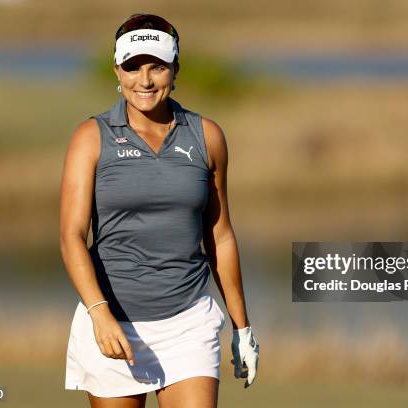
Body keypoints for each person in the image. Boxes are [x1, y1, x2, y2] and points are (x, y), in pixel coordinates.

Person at [59, 13, 259, 408]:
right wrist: (99, 313)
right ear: (117, 70)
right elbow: (70, 237)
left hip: (188, 322)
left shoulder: (207, 136)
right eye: (133, 67)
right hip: (113, 322)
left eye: (157, 67)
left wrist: (242, 328)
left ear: (176, 69)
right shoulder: (91, 138)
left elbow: (220, 235)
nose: (145, 81)